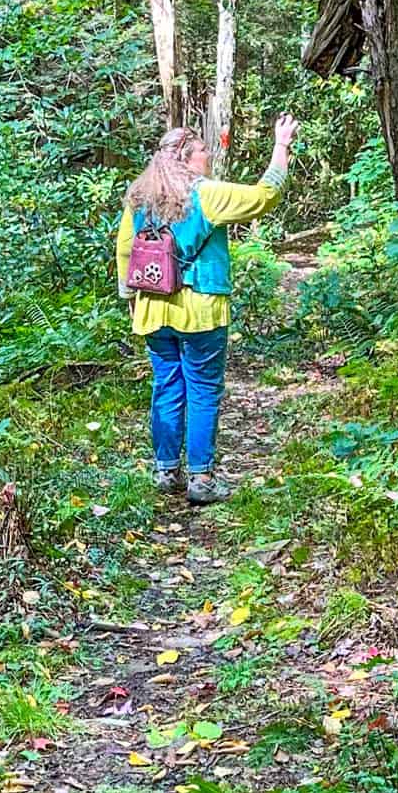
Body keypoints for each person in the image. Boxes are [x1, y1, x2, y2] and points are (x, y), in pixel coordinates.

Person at [115, 113, 299, 504]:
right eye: (201, 150)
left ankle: (166, 471)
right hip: (200, 308)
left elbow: (126, 250)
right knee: (202, 389)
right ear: (185, 156)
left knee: (166, 386)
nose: (208, 156)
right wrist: (281, 146)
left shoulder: (139, 196)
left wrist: (131, 300)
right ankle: (201, 479)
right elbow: (264, 195)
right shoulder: (206, 194)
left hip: (153, 308)